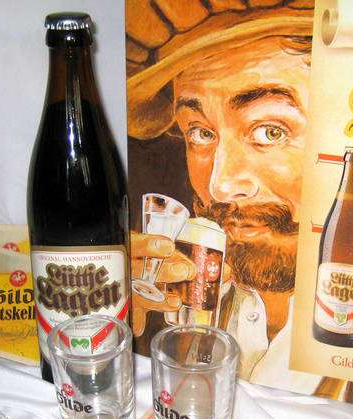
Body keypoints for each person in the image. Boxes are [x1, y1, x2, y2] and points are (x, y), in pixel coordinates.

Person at [126, 2, 320, 389]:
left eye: (270, 132)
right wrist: (124, 319)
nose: (220, 185)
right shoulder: (181, 297)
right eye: (200, 133)